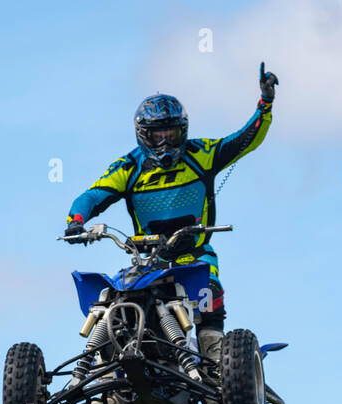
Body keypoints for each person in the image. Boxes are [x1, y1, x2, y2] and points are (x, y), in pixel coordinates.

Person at [63, 63, 279, 380]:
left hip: (195, 255)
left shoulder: (201, 153)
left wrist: (265, 103)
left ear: (183, 130)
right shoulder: (128, 167)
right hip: (148, 260)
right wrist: (76, 221)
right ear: (142, 135)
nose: (165, 142)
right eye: (156, 134)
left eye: (171, 133)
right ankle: (102, 367)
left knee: (209, 289)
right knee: (111, 296)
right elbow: (93, 196)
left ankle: (217, 365)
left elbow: (244, 139)